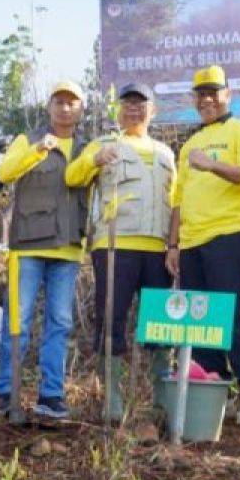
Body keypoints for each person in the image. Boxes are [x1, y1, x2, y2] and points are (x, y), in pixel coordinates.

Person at [66, 82, 175, 422]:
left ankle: (161, 397)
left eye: (140, 104)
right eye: (127, 104)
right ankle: (111, 395)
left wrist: (175, 245)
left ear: (152, 111)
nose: (133, 110)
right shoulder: (103, 143)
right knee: (111, 318)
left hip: (158, 249)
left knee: (160, 323)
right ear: (118, 110)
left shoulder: (166, 153)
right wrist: (94, 160)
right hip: (115, 246)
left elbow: (177, 201)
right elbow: (72, 177)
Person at [166, 65, 240, 426]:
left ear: (227, 94)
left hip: (229, 235)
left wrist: (212, 164)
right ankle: (212, 392)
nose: (207, 99)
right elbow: (177, 198)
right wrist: (173, 244)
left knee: (230, 314)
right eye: (200, 94)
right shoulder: (190, 143)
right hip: (190, 243)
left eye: (213, 92)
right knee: (200, 320)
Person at [0, 80, 87, 420]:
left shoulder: (87, 146)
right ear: (49, 107)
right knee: (17, 319)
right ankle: (8, 389)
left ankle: (51, 394)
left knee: (60, 322)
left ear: (80, 110)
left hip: (68, 248)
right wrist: (38, 152)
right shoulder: (27, 139)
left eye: (72, 103)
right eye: (59, 102)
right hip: (27, 246)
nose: (65, 108)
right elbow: (4, 172)